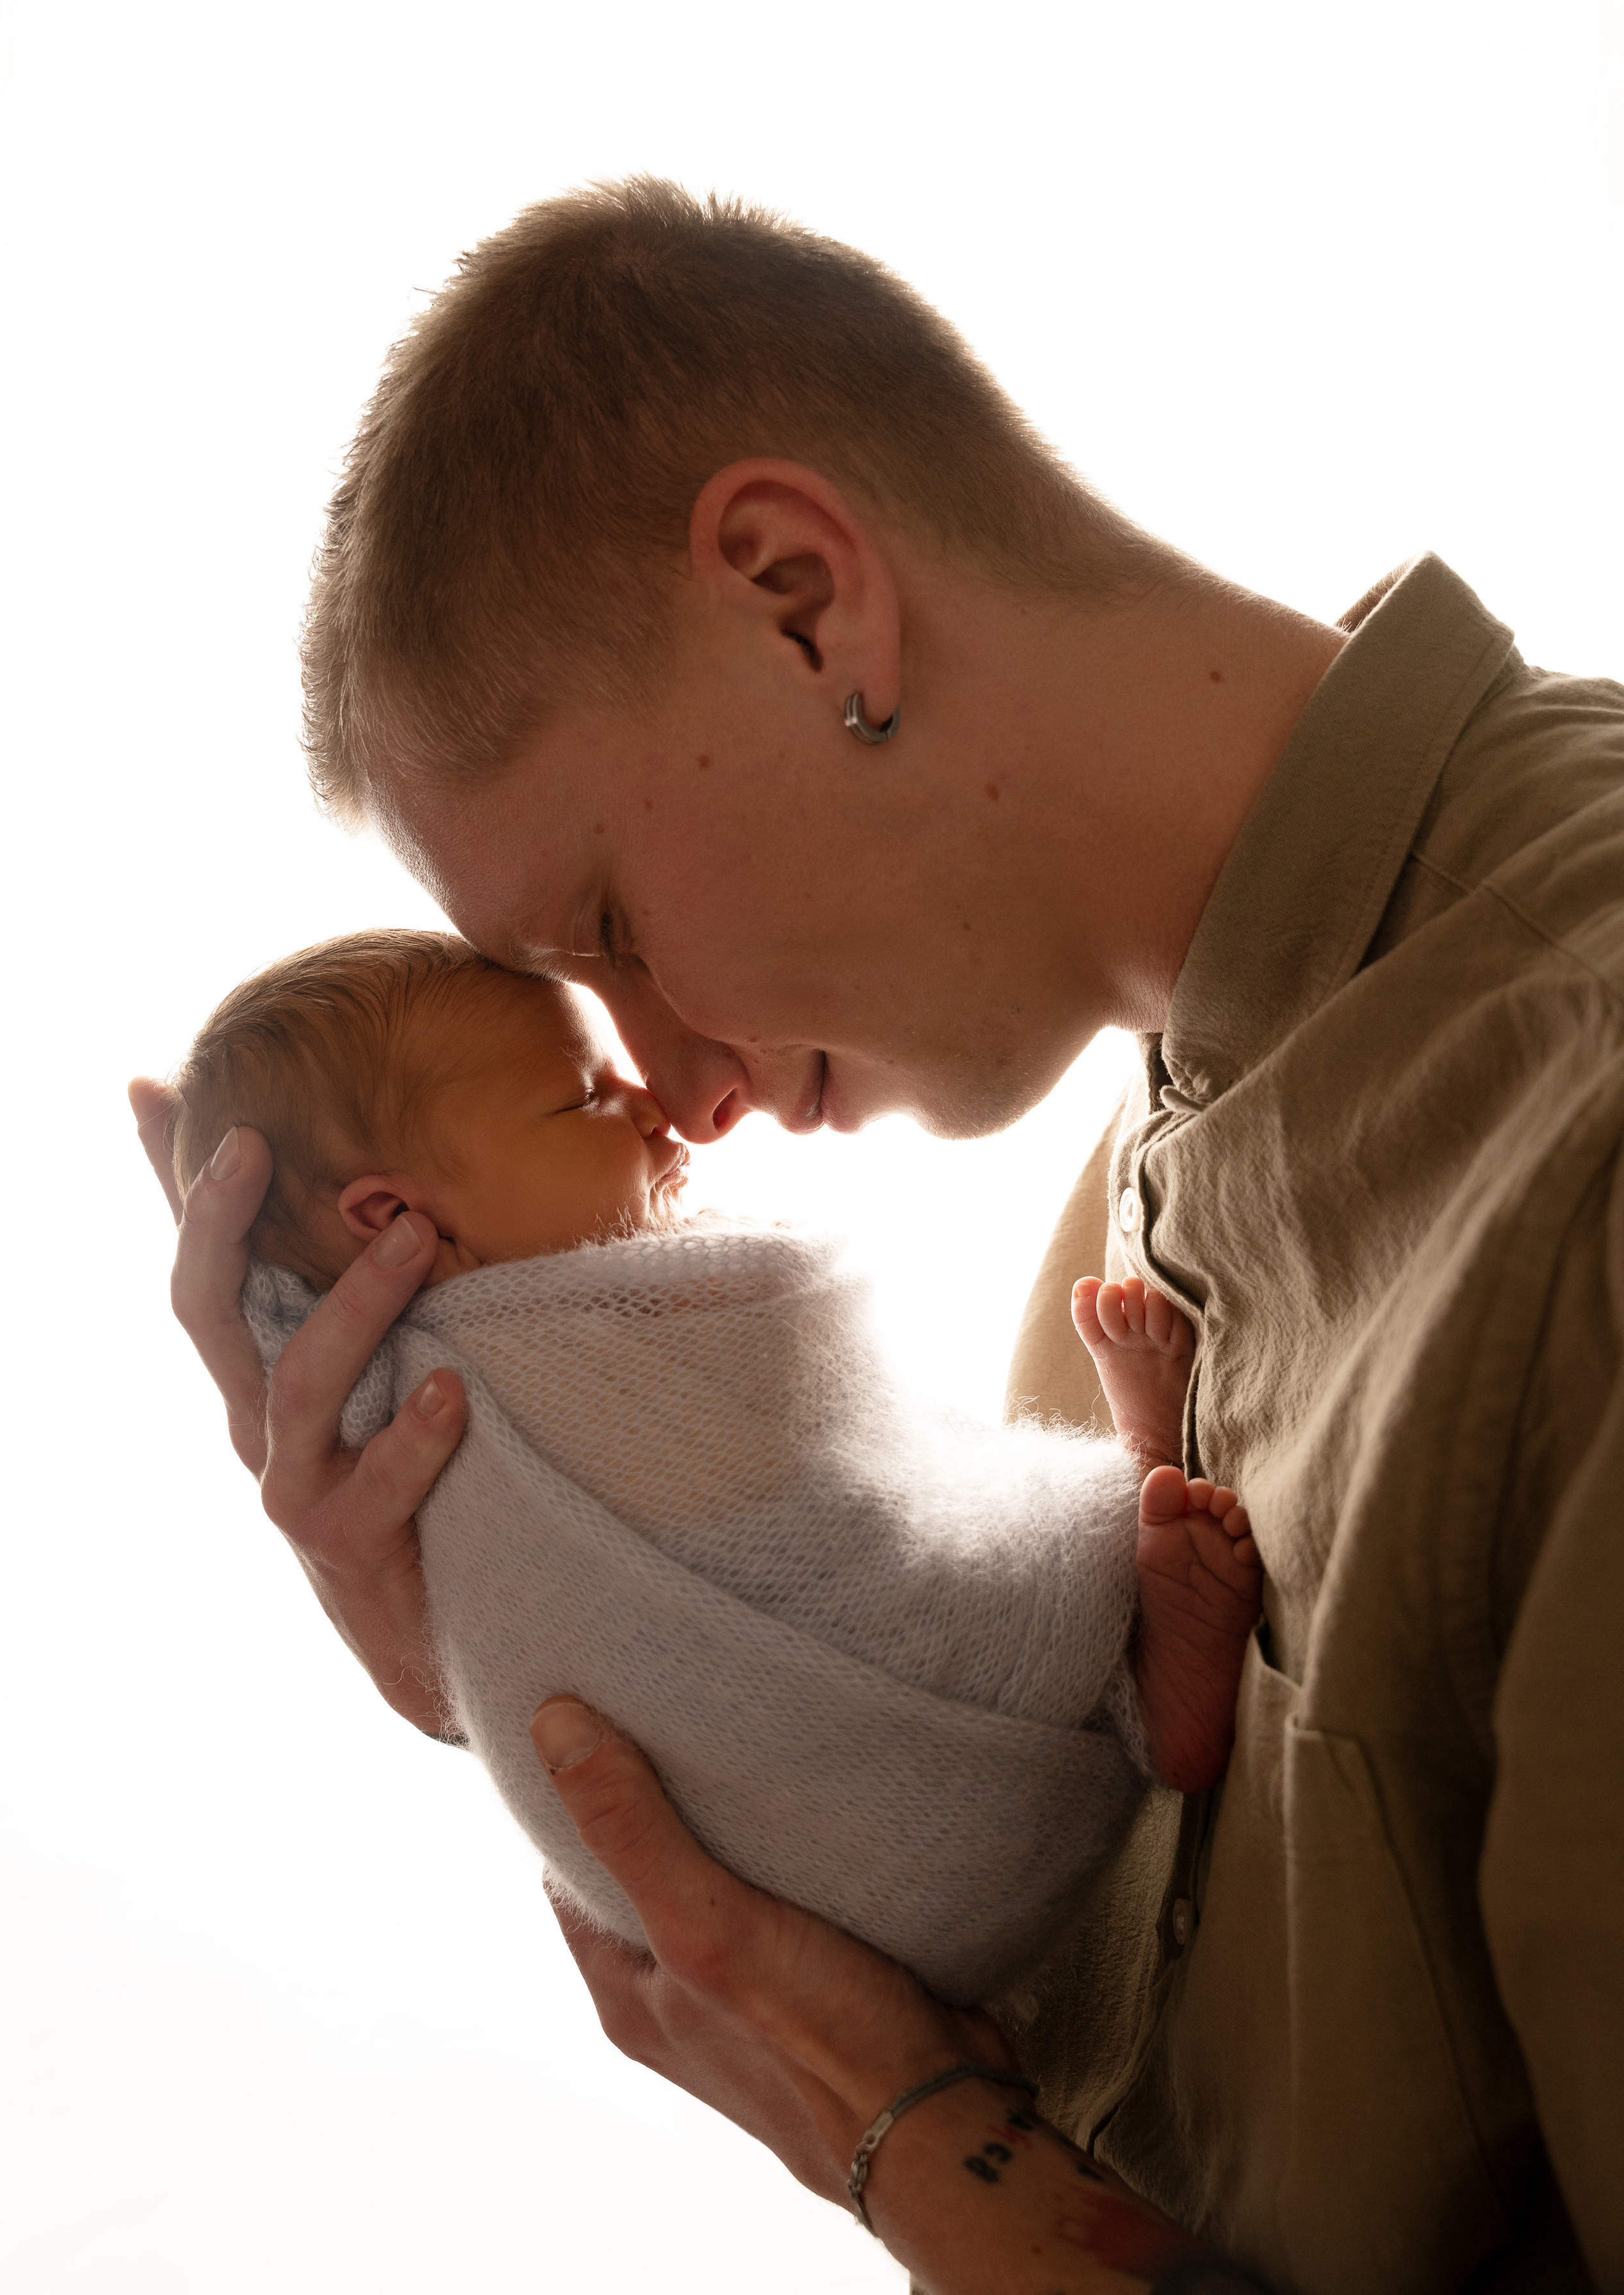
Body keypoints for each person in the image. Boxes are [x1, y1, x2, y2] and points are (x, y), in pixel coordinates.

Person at [133, 178, 1621, 2292]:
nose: (676, 1083)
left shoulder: (1592, 1112)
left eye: (619, 936)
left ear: (804, 597)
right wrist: (534, 1608)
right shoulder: (1095, 1253)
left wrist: (914, 2149)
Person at [164, 924, 1259, 1979]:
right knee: (938, 1575)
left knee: (903, 1529)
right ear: (395, 1214)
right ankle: (1129, 1585)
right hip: (810, 1825)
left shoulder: (396, 1394)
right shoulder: (457, 1388)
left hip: (858, 1894)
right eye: (587, 1095)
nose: (656, 1105)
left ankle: (1132, 1644)